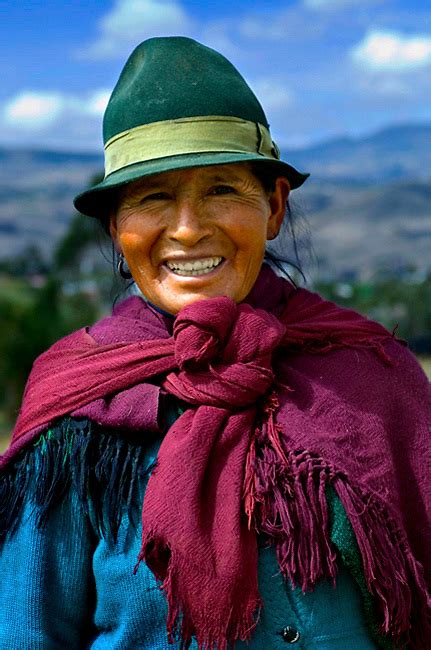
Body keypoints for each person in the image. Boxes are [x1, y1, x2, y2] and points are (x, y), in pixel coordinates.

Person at [0, 36, 430, 650]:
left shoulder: (376, 376)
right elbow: (26, 632)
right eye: (153, 198)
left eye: (223, 189)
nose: (187, 228)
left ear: (275, 207)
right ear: (117, 228)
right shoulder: (77, 413)